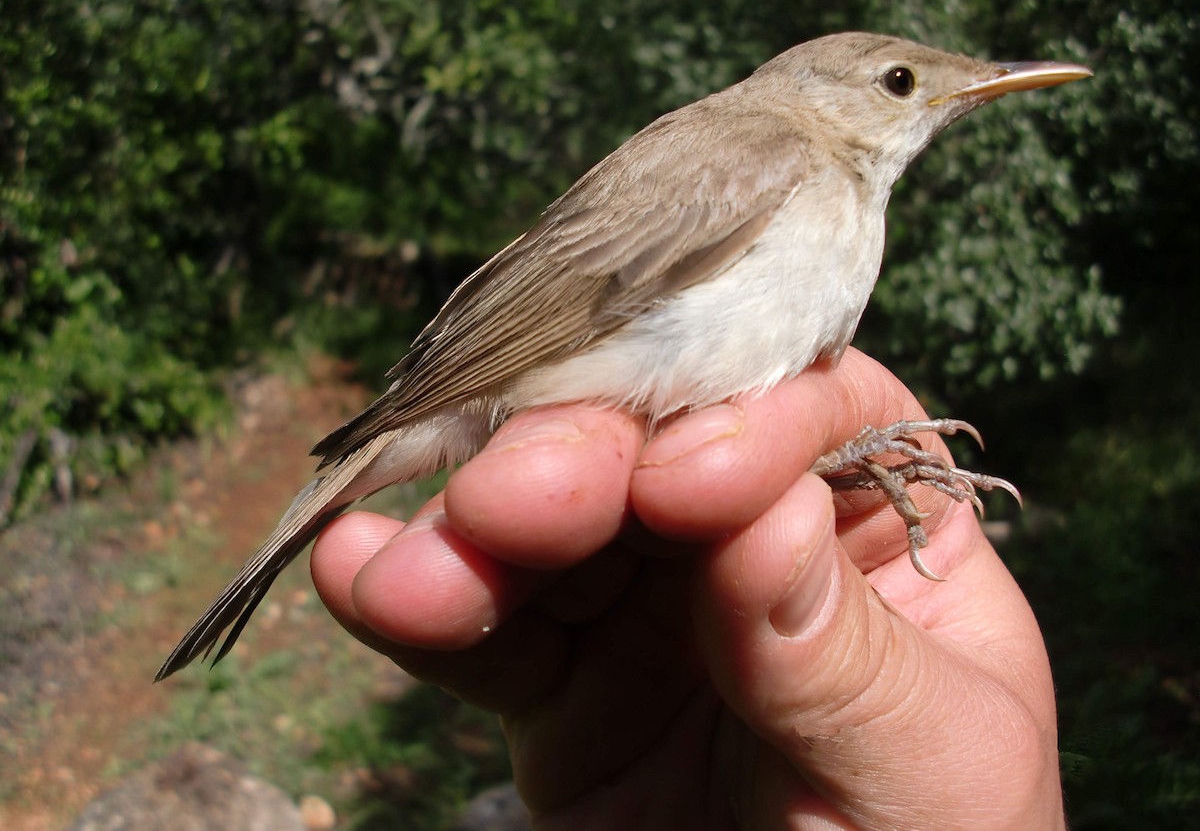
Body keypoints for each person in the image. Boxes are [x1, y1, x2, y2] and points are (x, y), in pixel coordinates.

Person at [310, 348, 1065, 829]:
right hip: (513, 367)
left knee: (706, 467)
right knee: (695, 468)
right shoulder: (779, 155)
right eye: (899, 81)